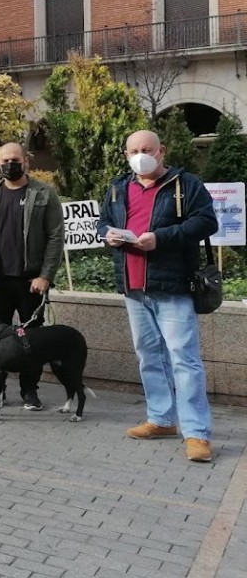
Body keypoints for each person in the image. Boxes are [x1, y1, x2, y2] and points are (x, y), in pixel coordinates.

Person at [97, 130, 218, 463]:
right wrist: (108, 235)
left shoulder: (185, 184)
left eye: (146, 149)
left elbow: (207, 222)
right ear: (126, 155)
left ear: (161, 151)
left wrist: (160, 239)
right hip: (134, 288)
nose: (140, 155)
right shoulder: (118, 188)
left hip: (173, 288)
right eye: (133, 150)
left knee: (184, 360)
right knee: (149, 356)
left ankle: (196, 433)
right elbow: (103, 221)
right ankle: (161, 419)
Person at [0, 142, 64, 411]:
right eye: (5, 160)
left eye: (15, 159)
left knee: (31, 339)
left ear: (26, 162)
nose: (10, 164)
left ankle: (29, 391)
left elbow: (56, 237)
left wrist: (45, 275)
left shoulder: (44, 194)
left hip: (30, 281)